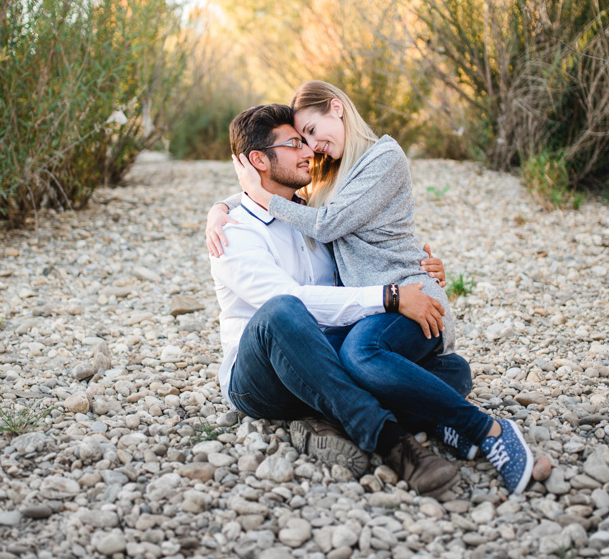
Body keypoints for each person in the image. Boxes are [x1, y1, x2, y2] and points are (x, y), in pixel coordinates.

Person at [208, 82, 534, 494]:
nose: (309, 150)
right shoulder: (234, 232)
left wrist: (420, 266)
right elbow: (296, 299)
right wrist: (219, 208)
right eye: (296, 142)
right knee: (284, 311)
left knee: (451, 371)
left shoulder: (310, 210)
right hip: (260, 378)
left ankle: (328, 419)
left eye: (308, 137)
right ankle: (394, 443)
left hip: (318, 358)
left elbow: (363, 237)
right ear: (259, 160)